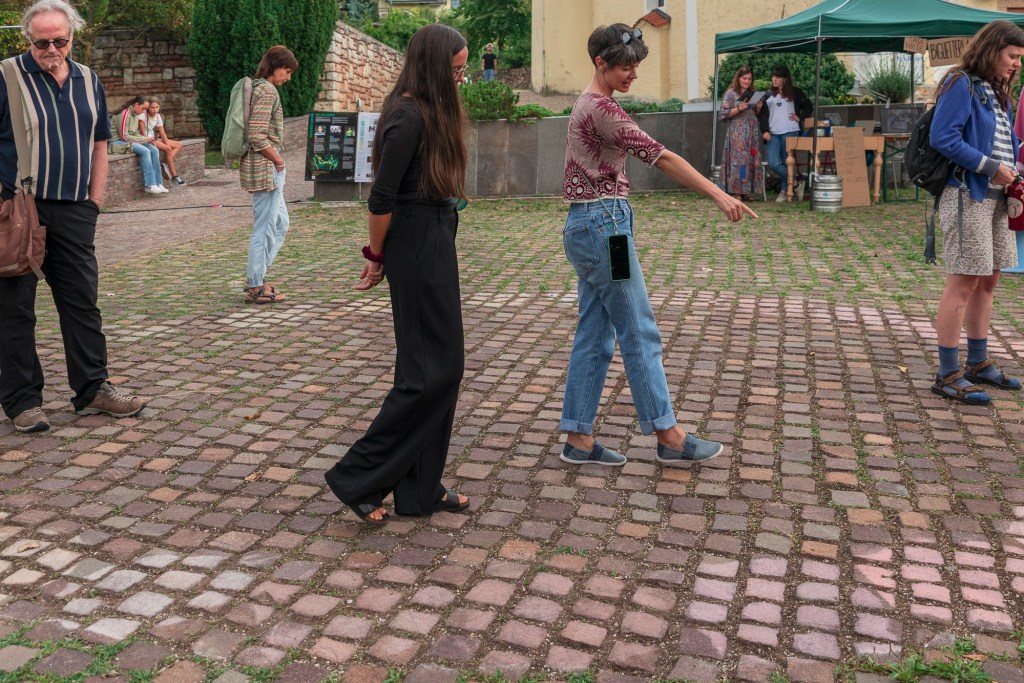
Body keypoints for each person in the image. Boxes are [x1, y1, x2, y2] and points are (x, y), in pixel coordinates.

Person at [559, 24, 756, 469]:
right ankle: (669, 436)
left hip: (588, 225)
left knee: (595, 334)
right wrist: (720, 194)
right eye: (625, 67)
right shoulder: (602, 109)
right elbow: (662, 157)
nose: (633, 74)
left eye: (636, 66)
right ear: (601, 63)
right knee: (638, 330)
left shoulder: (588, 103)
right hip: (605, 227)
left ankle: (578, 438)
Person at [323, 23, 471, 526]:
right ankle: (357, 477)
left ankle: (420, 488)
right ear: (433, 66)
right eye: (455, 70)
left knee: (436, 369)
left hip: (433, 234)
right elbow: (381, 198)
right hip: (415, 240)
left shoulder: (425, 110)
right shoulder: (407, 116)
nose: (460, 79)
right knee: (430, 372)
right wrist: (376, 254)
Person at [0, 0, 147, 433]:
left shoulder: (88, 78)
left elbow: (101, 142)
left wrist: (93, 202)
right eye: (41, 42)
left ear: (72, 37)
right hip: (18, 209)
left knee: (82, 302)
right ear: (28, 39)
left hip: (74, 209)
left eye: (59, 41)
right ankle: (23, 401)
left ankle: (92, 390)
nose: (51, 49)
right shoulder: (6, 76)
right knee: (14, 308)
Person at [929, 20, 1024, 405]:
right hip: (967, 194)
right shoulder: (961, 83)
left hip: (997, 197)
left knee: (988, 280)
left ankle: (978, 362)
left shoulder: (996, 91)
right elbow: (942, 136)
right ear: (991, 48)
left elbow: (1006, 142)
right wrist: (990, 167)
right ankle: (947, 373)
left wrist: (1014, 171)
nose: (1017, 64)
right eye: (1012, 56)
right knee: (964, 282)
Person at [241, 46, 297, 305]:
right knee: (264, 228)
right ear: (275, 66)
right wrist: (278, 160)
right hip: (266, 168)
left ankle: (258, 276)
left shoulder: (260, 88)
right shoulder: (267, 90)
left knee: (280, 224)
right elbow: (256, 134)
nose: (288, 77)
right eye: (287, 71)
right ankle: (255, 285)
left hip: (266, 166)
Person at [757, 64, 813, 202]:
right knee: (773, 162)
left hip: (790, 130)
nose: (774, 79)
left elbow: (809, 106)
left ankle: (784, 191)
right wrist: (764, 130)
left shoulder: (795, 92)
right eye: (773, 76)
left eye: (778, 77)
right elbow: (762, 115)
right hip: (773, 132)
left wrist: (800, 117)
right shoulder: (767, 95)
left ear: (785, 79)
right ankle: (796, 183)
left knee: (786, 162)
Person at [718, 66, 763, 200]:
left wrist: (758, 108)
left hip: (751, 132)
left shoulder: (752, 93)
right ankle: (736, 191)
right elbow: (723, 114)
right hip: (738, 132)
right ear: (738, 78)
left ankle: (746, 191)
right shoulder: (731, 94)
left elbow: (754, 113)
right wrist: (738, 108)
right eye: (744, 78)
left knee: (749, 160)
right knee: (738, 160)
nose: (747, 81)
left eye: (749, 79)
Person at [112, 95, 167, 195]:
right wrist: (144, 139)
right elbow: (124, 137)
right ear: (136, 105)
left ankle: (158, 183)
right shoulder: (125, 114)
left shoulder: (136, 114)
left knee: (154, 150)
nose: (144, 111)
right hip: (117, 142)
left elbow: (134, 133)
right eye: (143, 108)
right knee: (145, 151)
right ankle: (149, 185)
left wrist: (147, 139)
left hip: (128, 140)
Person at [142, 96, 185, 186]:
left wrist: (166, 144)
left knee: (178, 145)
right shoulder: (143, 116)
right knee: (168, 149)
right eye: (152, 107)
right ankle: (175, 176)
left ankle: (165, 163)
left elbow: (162, 133)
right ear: (148, 107)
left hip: (154, 137)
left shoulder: (158, 116)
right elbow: (142, 133)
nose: (155, 110)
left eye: (157, 107)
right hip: (147, 140)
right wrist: (167, 147)